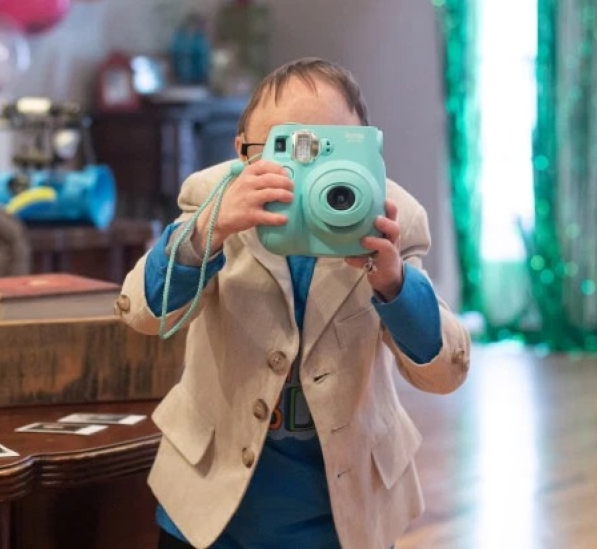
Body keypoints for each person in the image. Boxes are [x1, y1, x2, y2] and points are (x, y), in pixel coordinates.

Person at [116, 57, 471, 549]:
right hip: (210, 506)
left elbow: (446, 371)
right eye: (288, 149)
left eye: (332, 150)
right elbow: (141, 313)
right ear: (242, 154)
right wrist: (210, 228)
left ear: (369, 152)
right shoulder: (212, 196)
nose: (311, 170)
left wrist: (395, 283)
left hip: (343, 513)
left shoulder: (393, 215)